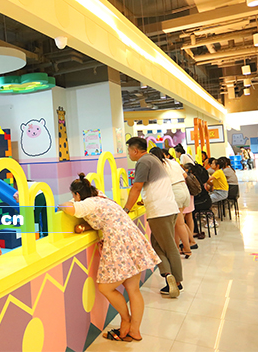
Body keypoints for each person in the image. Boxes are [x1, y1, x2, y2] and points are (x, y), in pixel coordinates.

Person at [59, 173, 160, 342]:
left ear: (77, 194)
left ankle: (126, 320)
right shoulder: (102, 198)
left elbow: (68, 207)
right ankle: (134, 331)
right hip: (132, 238)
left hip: (118, 241)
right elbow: (100, 219)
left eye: (74, 195)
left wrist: (61, 204)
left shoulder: (89, 203)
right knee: (133, 289)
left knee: (105, 287)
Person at [125, 137, 183, 298]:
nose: (129, 154)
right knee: (157, 245)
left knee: (169, 246)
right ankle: (168, 275)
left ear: (135, 150)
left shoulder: (143, 162)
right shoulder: (153, 159)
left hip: (160, 211)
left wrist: (126, 209)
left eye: (129, 151)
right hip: (168, 208)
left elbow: (137, 187)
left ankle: (177, 281)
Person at [152, 148, 193, 259]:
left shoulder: (159, 166)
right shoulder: (173, 163)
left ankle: (187, 249)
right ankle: (177, 247)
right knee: (177, 223)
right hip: (184, 190)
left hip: (175, 192)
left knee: (179, 223)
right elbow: (185, 176)